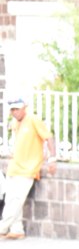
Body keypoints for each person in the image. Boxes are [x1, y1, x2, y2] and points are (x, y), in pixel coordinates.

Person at [1, 96, 56, 240]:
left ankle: (2, 227)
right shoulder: (15, 123)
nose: (14, 112)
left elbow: (48, 137)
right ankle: (17, 229)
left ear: (24, 108)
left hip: (28, 168)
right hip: (14, 167)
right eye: (12, 110)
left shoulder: (33, 120)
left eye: (17, 109)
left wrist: (52, 159)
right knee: (10, 200)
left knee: (15, 201)